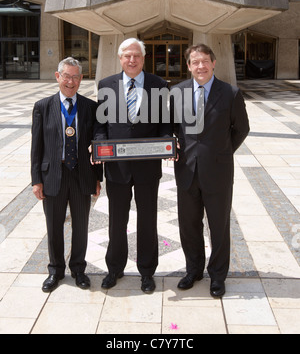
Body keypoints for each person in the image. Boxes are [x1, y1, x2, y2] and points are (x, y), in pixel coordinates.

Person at [171, 44, 249, 298]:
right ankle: (193, 270)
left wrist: (222, 151)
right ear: (189, 66)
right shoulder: (177, 92)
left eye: (205, 61)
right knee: (188, 225)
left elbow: (241, 129)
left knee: (218, 226)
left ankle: (217, 276)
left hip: (218, 172)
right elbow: (170, 128)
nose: (200, 66)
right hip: (186, 170)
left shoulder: (230, 93)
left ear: (214, 63)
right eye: (195, 62)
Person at [93, 38, 171, 293]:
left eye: (136, 55)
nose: (132, 60)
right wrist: (101, 146)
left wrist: (167, 142)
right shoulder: (106, 85)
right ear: (120, 58)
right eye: (127, 55)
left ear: (143, 57)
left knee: (148, 220)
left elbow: (165, 123)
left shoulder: (158, 85)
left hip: (148, 167)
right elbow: (100, 126)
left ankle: (147, 272)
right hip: (117, 169)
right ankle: (114, 268)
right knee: (116, 220)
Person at [31, 57, 102, 293]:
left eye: (75, 77)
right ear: (57, 76)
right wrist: (36, 180)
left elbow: (97, 145)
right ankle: (56, 270)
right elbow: (36, 146)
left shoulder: (90, 107)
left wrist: (97, 178)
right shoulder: (42, 106)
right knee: (54, 226)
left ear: (81, 79)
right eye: (66, 76)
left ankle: (79, 269)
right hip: (54, 174)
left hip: (81, 174)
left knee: (81, 226)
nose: (70, 82)